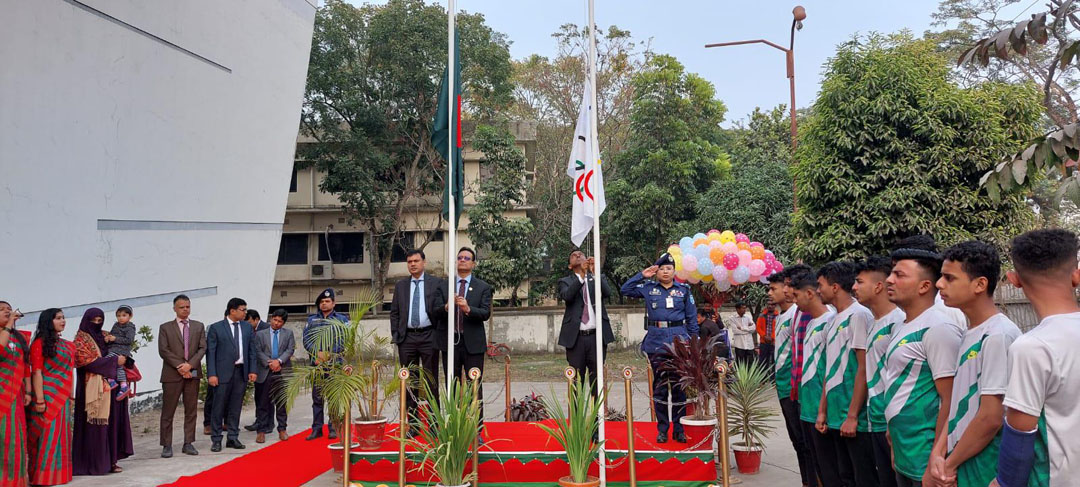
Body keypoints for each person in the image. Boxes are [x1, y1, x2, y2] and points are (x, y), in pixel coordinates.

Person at [923, 241, 1018, 487]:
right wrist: (938, 453)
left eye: (949, 278)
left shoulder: (998, 335)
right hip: (961, 457)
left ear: (980, 284)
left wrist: (950, 463)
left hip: (984, 462)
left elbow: (990, 417)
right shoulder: (971, 331)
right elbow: (957, 404)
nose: (939, 284)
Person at [992, 229, 1080, 486]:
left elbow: (1020, 431)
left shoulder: (1032, 347)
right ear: (1076, 276)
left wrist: (1003, 483)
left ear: (1014, 279)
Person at [884, 236, 964, 487]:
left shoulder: (939, 327)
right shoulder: (903, 324)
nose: (889, 280)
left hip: (925, 456)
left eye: (899, 275)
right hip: (904, 450)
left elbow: (951, 399)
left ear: (924, 286)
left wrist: (937, 458)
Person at [620, 252, 698, 444]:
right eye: (662, 268)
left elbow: (692, 319)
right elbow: (625, 289)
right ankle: (662, 429)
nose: (665, 271)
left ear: (674, 271)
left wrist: (694, 345)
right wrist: (642, 275)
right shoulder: (648, 288)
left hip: (680, 343)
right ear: (657, 272)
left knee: (679, 388)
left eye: (669, 268)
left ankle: (678, 429)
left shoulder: (684, 290)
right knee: (661, 388)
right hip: (657, 343)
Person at [816, 261, 877, 487]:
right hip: (834, 414)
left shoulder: (859, 315)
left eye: (820, 285)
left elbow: (863, 366)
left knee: (863, 476)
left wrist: (852, 416)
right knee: (845, 476)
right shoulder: (833, 320)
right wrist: (822, 411)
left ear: (835, 287)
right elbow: (829, 369)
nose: (818, 290)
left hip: (854, 418)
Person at [853, 256, 904, 487]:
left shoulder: (899, 321)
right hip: (875, 419)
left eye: (859, 282)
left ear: (878, 286)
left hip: (894, 421)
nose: (854, 287)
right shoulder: (874, 322)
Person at [389, 249, 446, 434]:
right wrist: (397, 335)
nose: (412, 264)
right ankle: (413, 424)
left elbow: (440, 310)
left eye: (416, 261)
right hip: (407, 339)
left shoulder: (436, 283)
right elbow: (395, 313)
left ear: (424, 262)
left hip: (429, 336)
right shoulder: (401, 286)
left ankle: (433, 424)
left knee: (431, 381)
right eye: (409, 261)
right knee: (410, 382)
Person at [72, 308, 134, 476]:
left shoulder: (106, 335)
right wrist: (115, 361)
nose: (97, 324)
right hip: (93, 391)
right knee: (96, 428)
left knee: (113, 425)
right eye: (94, 321)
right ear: (87, 321)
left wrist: (123, 360)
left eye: (100, 320)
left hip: (113, 390)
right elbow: (86, 362)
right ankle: (95, 464)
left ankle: (112, 461)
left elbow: (123, 349)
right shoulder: (80, 340)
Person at [769, 268, 815, 487]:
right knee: (798, 441)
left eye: (774, 288)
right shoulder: (784, 316)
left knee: (806, 443)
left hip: (795, 387)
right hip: (784, 385)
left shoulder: (802, 313)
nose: (771, 293)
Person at [791, 270, 837, 487]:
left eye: (796, 296)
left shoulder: (831, 322)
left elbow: (831, 369)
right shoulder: (810, 323)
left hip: (821, 405)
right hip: (807, 404)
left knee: (830, 467)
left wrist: (823, 409)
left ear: (809, 293)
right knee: (816, 462)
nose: (795, 301)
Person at [441, 247, 493, 433]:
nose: (462, 260)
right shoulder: (445, 285)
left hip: (473, 344)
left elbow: (485, 313)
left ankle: (476, 429)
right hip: (450, 343)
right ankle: (453, 428)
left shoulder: (483, 287)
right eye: (459, 257)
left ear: (473, 264)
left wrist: (468, 308)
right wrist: (447, 307)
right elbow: (435, 311)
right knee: (452, 386)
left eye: (467, 258)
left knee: (474, 387)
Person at [557, 249, 615, 394]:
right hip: (576, 339)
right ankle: (578, 416)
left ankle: (597, 416)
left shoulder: (597, 277)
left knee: (597, 379)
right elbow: (568, 296)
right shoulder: (565, 281)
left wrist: (594, 272)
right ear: (570, 265)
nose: (578, 255)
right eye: (573, 255)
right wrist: (581, 276)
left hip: (596, 337)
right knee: (576, 381)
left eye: (581, 254)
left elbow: (607, 293)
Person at [27, 309, 73, 485]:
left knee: (61, 435)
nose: (63, 321)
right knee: (46, 435)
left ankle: (60, 474)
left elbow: (69, 372)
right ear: (48, 321)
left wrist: (71, 395)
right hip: (47, 395)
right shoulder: (39, 343)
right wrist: (39, 399)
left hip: (63, 397)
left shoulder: (67, 345)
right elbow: (36, 372)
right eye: (58, 318)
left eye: (63, 318)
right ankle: (43, 476)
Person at [158, 294, 206, 458]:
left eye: (188, 306)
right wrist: (181, 366)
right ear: (174, 308)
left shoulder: (198, 326)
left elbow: (202, 348)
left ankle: (188, 443)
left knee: (191, 409)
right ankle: (166, 445)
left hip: (192, 372)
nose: (185, 309)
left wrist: (189, 365)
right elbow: (163, 350)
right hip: (172, 373)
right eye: (182, 307)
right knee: (168, 410)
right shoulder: (165, 328)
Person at [206, 298, 256, 452]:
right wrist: (212, 374)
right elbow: (211, 353)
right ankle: (216, 439)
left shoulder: (247, 327)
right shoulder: (216, 328)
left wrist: (252, 370)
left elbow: (251, 351)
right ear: (232, 310)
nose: (245, 313)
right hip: (221, 373)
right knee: (218, 407)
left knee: (235, 407)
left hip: (240, 371)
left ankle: (233, 437)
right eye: (243, 309)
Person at [303, 288, 348, 441]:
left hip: (334, 364)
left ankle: (333, 427)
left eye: (327, 301)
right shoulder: (311, 320)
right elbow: (307, 340)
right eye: (321, 302)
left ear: (334, 303)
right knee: (317, 398)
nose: (324, 304)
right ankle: (317, 428)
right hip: (317, 364)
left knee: (333, 397)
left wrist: (329, 354)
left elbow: (344, 340)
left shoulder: (342, 319)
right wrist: (316, 355)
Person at [253, 309, 295, 443]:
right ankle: (261, 431)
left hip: (282, 371)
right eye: (274, 320)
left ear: (283, 323)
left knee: (281, 402)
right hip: (265, 371)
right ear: (271, 319)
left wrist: (279, 361)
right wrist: (270, 362)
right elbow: (258, 351)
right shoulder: (260, 334)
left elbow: (290, 349)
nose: (276, 323)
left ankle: (282, 429)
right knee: (262, 403)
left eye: (279, 321)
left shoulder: (288, 334)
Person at [1, 300, 30, 487]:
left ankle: (14, 480)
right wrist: (9, 327)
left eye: (9, 310)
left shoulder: (19, 338)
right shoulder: (6, 334)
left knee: (14, 437)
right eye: (2, 310)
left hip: (15, 395)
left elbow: (26, 365)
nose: (7, 312)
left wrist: (28, 390)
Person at [244, 309, 271, 434]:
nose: (247, 325)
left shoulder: (266, 329)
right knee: (259, 397)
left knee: (268, 398)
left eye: (249, 322)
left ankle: (268, 424)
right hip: (256, 369)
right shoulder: (251, 330)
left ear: (256, 319)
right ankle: (259, 421)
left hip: (267, 368)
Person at [104, 305, 136, 400]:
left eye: (124, 315)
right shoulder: (116, 325)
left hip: (122, 350)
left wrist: (115, 339)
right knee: (118, 367)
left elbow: (129, 340)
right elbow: (112, 335)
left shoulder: (130, 327)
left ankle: (110, 379)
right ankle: (123, 385)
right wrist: (108, 338)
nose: (121, 318)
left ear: (130, 316)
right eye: (118, 316)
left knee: (108, 360)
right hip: (113, 348)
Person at [756, 302, 778, 371]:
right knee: (763, 361)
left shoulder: (779, 316)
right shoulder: (762, 315)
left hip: (774, 342)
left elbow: (778, 328)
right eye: (768, 304)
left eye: (772, 305)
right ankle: (763, 378)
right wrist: (764, 336)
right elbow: (758, 327)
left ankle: (773, 379)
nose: (770, 306)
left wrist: (772, 338)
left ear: (775, 305)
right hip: (764, 342)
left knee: (775, 361)